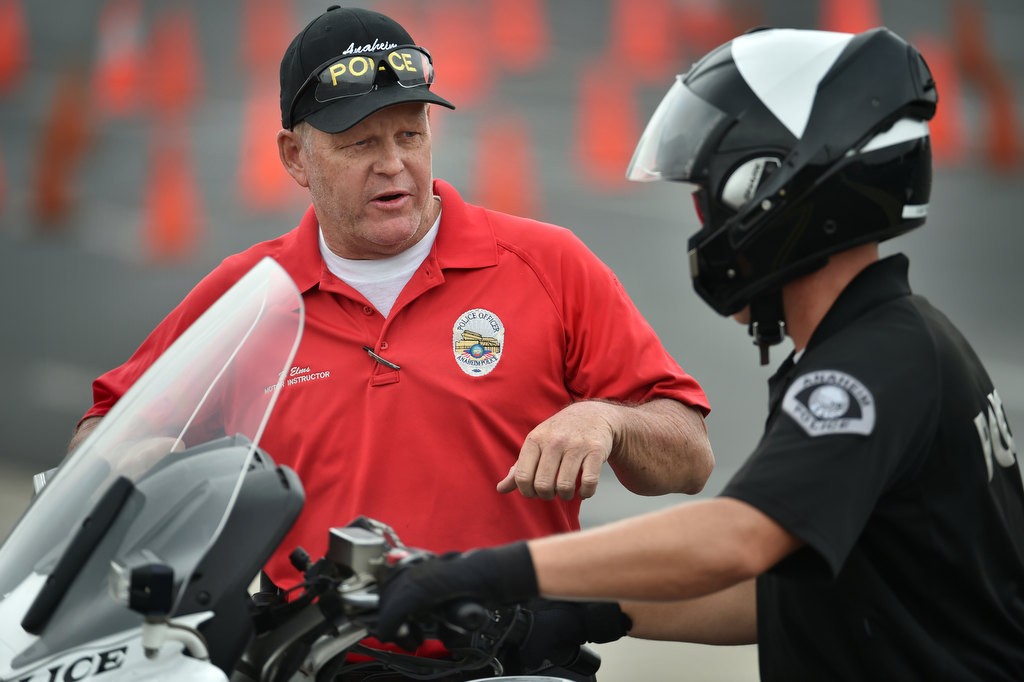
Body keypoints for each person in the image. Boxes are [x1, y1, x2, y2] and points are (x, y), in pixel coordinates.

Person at [68, 4, 714, 676]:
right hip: (314, 664)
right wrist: (135, 462)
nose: (394, 165)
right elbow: (103, 438)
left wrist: (606, 419)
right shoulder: (251, 294)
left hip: (512, 665)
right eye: (360, 144)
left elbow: (690, 458)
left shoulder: (548, 264)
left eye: (410, 134)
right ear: (296, 156)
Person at [373, 26, 1024, 680]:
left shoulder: (869, 368)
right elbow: (780, 593)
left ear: (772, 192)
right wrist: (575, 609)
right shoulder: (894, 341)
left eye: (709, 202)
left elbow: (736, 539)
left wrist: (487, 572)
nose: (706, 231)